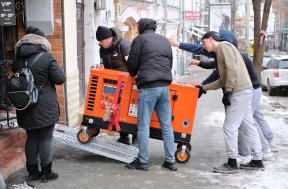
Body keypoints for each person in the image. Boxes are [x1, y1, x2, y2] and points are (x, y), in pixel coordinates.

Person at [169, 29, 278, 156]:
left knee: (242, 124)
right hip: (247, 90)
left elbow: (221, 73)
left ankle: (255, 152)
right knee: (251, 121)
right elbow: (216, 67)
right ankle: (262, 150)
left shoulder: (227, 50)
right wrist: (203, 83)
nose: (204, 46)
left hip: (248, 90)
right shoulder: (227, 51)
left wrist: (221, 90)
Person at [195, 31, 264, 173]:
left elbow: (232, 71)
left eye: (204, 42)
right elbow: (223, 78)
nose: (203, 46)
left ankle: (232, 163)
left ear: (210, 39)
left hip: (239, 91)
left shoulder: (223, 47)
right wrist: (204, 87)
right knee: (248, 126)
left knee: (229, 127)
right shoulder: (221, 52)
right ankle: (257, 160)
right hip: (244, 90)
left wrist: (227, 91)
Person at [14, 26, 66, 183]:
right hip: (44, 105)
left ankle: (32, 173)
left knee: (31, 137)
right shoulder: (46, 57)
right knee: (45, 138)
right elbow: (60, 78)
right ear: (42, 42)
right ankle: (46, 173)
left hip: (25, 104)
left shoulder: (17, 57)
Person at [125, 18, 177, 171]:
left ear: (141, 27)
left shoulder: (139, 40)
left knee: (143, 126)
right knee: (167, 126)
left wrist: (135, 69)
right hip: (164, 87)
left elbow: (132, 68)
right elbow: (170, 64)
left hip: (148, 87)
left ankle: (142, 162)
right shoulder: (165, 41)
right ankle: (170, 161)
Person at [96, 26, 137, 145]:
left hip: (128, 84)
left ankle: (135, 136)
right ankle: (123, 136)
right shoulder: (102, 49)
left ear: (109, 38)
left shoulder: (124, 46)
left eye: (101, 41)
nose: (100, 43)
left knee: (130, 110)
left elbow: (133, 64)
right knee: (115, 109)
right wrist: (101, 67)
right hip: (113, 83)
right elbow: (103, 63)